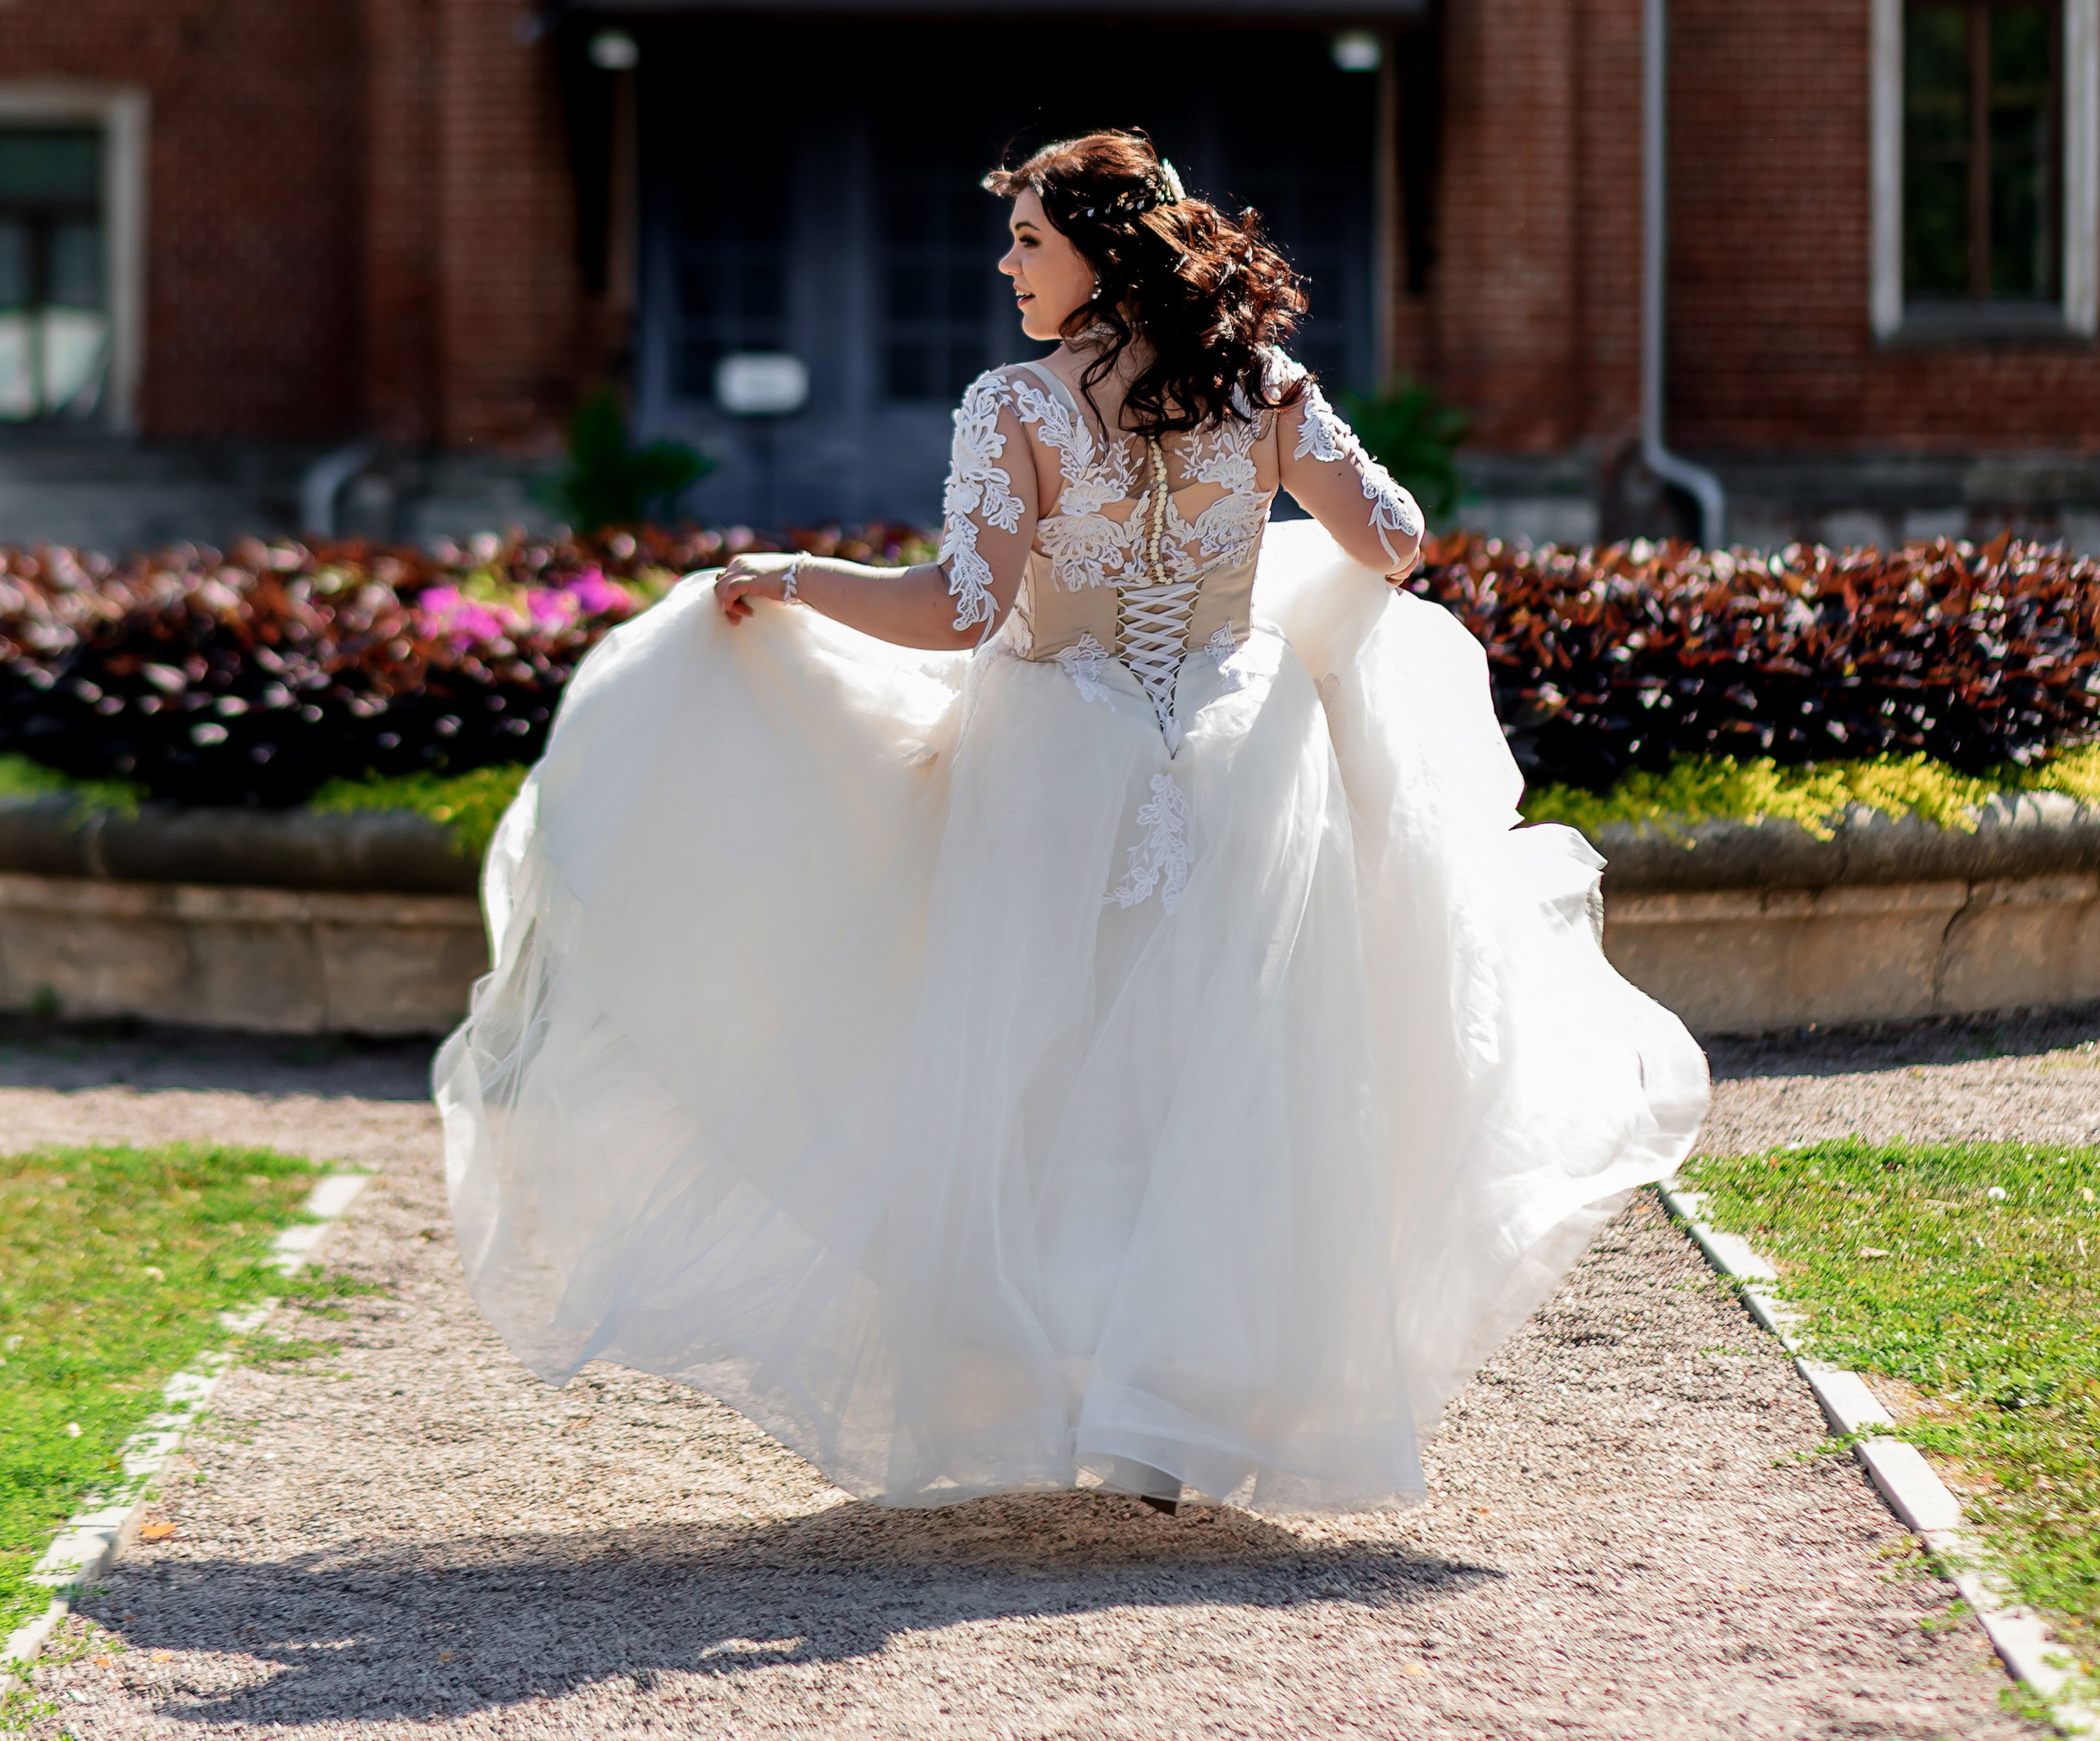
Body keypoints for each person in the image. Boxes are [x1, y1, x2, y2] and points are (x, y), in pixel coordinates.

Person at [436, 128, 1707, 1514]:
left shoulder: (1017, 407)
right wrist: (1283, 527)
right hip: (1238, 754)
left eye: (1031, 240)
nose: (1007, 263)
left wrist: (790, 576)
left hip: (1058, 763)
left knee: (1036, 1076)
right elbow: (1395, 540)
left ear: (1103, 256)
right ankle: (1169, 1414)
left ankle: (1049, 1382)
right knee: (1220, 1076)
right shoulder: (1268, 387)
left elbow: (960, 612)